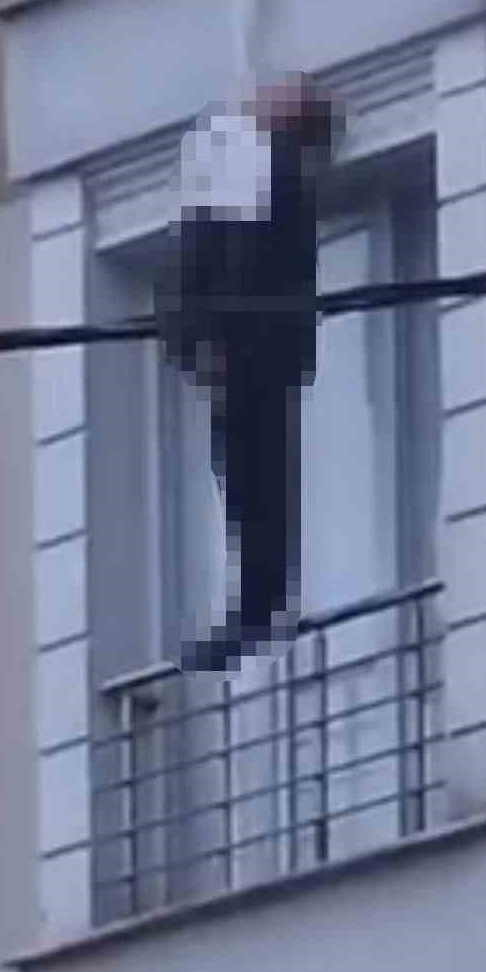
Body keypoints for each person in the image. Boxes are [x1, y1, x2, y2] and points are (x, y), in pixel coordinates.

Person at [156, 72, 347, 672]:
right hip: (254, 354)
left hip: (251, 355)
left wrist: (209, 340)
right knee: (253, 484)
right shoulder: (263, 172)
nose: (254, 99)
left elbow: (228, 262)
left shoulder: (264, 170)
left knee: (253, 483)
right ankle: (259, 607)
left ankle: (258, 609)